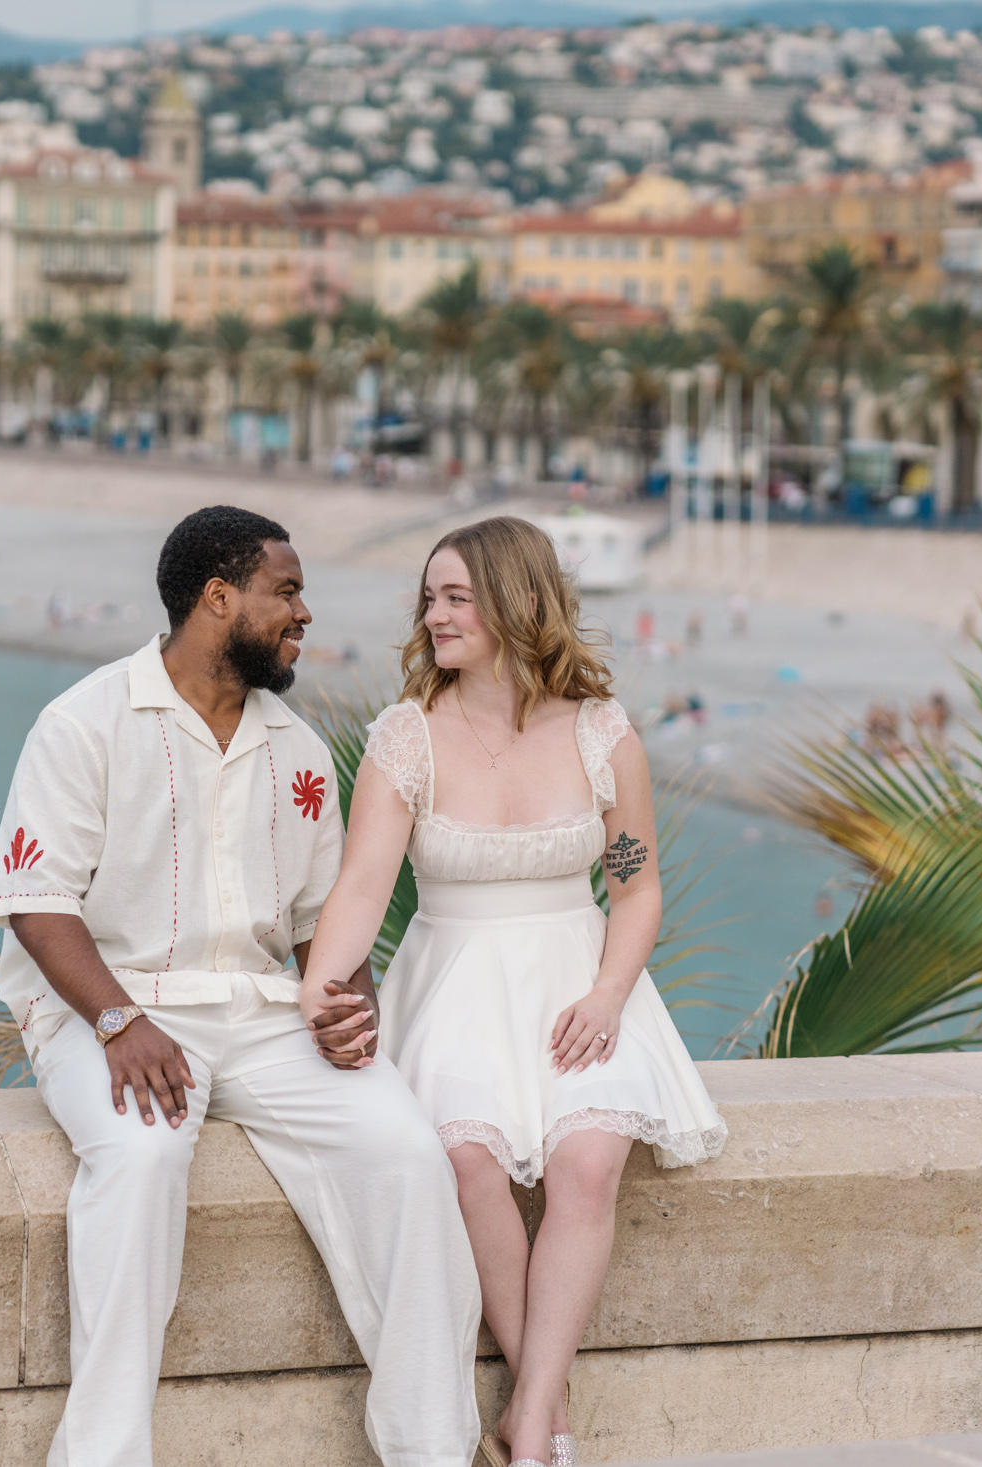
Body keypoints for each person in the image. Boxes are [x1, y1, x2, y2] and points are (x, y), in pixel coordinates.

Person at [0, 506, 482, 1467]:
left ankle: (432, 1448)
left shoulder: (296, 747)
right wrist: (120, 1019)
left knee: (408, 1155)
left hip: (260, 1015)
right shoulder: (84, 722)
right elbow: (38, 901)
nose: (305, 612)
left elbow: (313, 929)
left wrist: (347, 1004)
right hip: (109, 1008)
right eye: (285, 590)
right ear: (219, 598)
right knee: (140, 1157)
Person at [300, 516, 727, 1467]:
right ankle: (549, 1399)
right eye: (430, 597)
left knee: (587, 1164)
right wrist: (321, 995)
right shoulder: (405, 738)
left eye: (457, 596)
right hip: (451, 979)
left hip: (580, 980)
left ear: (518, 603)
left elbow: (636, 883)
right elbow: (364, 884)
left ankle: (529, 1421)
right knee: (464, 1162)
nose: (434, 613)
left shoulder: (601, 734)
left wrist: (611, 994)